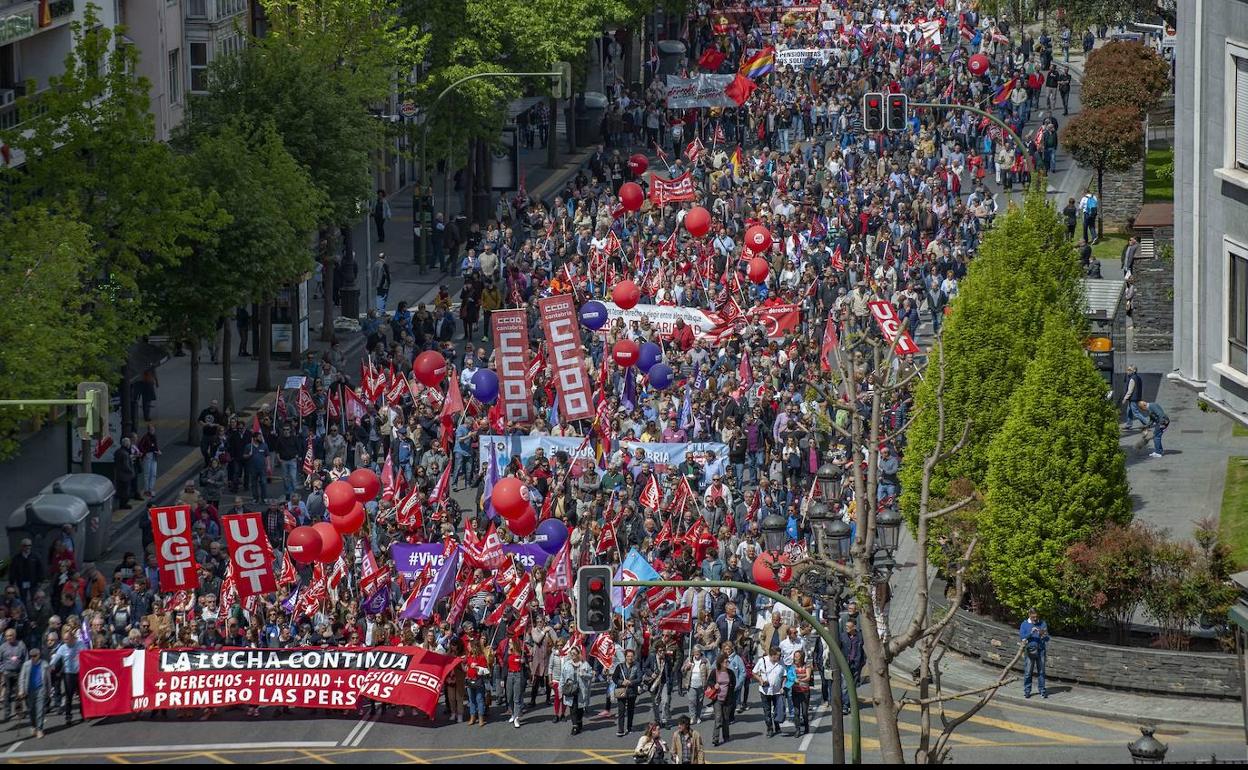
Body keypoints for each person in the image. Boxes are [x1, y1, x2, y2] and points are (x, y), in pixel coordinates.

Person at [752, 645, 786, 738]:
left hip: (777, 691)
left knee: (777, 709)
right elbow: (754, 672)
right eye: (777, 655)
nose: (779, 657)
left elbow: (784, 676)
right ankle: (770, 728)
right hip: (765, 691)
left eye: (779, 655)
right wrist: (761, 680)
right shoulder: (762, 661)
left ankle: (777, 725)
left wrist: (783, 687)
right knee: (767, 711)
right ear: (772, 655)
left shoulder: (781, 662)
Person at [16, 647, 49, 739]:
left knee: (40, 710)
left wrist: (49, 691)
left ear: (39, 655)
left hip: (41, 690)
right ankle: (33, 726)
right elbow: (22, 678)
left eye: (35, 656)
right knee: (31, 711)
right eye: (31, 656)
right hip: (29, 691)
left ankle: (39, 729)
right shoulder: (26, 665)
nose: (33, 657)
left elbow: (48, 679)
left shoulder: (44, 664)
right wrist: (21, 690)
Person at [561, 644, 593, 736]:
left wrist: (584, 675)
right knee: (572, 707)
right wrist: (561, 688)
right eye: (571, 654)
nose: (573, 655)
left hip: (581, 690)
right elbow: (562, 677)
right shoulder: (567, 664)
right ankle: (574, 726)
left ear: (579, 654)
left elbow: (591, 676)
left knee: (580, 708)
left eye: (574, 654)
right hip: (570, 689)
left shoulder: (585, 664)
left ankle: (579, 721)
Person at [1019, 608, 1050, 699]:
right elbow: (1022, 637)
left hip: (1041, 651)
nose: (1035, 619)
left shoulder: (1042, 623)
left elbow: (1047, 639)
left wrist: (1042, 634)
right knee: (1028, 672)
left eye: (1036, 617)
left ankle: (1042, 691)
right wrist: (1030, 633)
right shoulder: (1024, 624)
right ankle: (1027, 691)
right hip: (1030, 650)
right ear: (1029, 615)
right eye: (1033, 617)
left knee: (1041, 672)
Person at [612, 647, 642, 737]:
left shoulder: (637, 666)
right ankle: (620, 729)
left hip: (632, 691)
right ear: (625, 657)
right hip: (621, 690)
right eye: (628, 656)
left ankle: (629, 727)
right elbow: (614, 678)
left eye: (631, 656)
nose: (630, 658)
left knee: (630, 710)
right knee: (621, 710)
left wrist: (631, 682)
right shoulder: (620, 666)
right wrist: (621, 682)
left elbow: (640, 678)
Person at [1121, 365, 1148, 430]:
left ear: (1134, 371)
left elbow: (1130, 390)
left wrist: (1125, 398)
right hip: (1136, 397)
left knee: (1135, 413)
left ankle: (1146, 423)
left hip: (1133, 398)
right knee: (1129, 411)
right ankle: (1129, 424)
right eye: (1127, 370)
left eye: (1129, 370)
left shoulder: (1132, 379)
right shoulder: (1138, 377)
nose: (1127, 371)